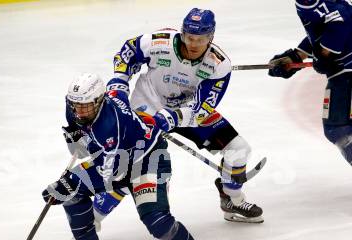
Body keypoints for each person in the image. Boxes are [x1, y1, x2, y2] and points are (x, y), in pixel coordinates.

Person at [42, 72, 227, 240]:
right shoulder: (78, 107)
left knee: (157, 222)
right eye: (76, 105)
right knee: (71, 194)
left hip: (148, 161)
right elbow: (117, 88)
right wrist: (75, 138)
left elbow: (113, 175)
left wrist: (70, 183)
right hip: (115, 158)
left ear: (100, 101)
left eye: (86, 106)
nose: (80, 111)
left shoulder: (111, 126)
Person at [91, 8, 263, 227]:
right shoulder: (159, 42)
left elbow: (202, 108)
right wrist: (119, 81)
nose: (193, 44)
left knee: (239, 150)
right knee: (132, 165)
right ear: (182, 33)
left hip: (186, 113)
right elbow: (128, 52)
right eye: (190, 37)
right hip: (147, 106)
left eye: (200, 39)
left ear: (211, 38)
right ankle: (90, 223)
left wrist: (171, 117)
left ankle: (232, 199)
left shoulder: (219, 64)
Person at [268, 0, 352, 165]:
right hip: (344, 71)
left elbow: (342, 18)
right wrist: (297, 56)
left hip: (346, 72)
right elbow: (320, 30)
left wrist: (325, 54)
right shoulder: (308, 3)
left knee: (338, 129)